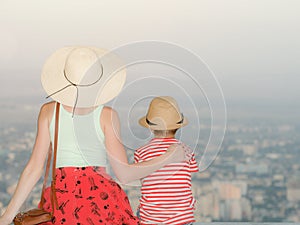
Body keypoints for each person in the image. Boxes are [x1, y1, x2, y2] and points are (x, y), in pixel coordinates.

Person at [0, 47, 188, 225]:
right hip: (102, 201)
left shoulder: (49, 112)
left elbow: (34, 169)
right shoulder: (107, 115)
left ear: (66, 78)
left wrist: (7, 217)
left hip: (64, 201)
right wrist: (168, 157)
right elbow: (125, 174)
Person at [134, 96, 199, 225]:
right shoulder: (186, 150)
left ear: (151, 127)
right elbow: (188, 176)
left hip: (151, 219)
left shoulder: (141, 153)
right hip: (182, 217)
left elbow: (142, 179)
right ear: (178, 126)